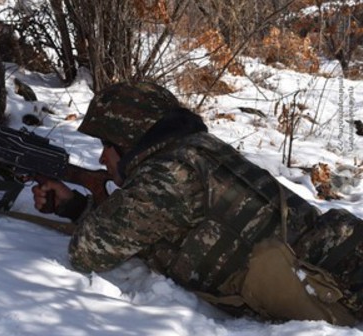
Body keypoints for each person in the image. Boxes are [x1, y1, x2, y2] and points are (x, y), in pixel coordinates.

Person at [32, 81, 363, 326]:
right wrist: (75, 206)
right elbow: (146, 222)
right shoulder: (199, 148)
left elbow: (88, 251)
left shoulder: (168, 175)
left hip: (339, 278)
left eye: (107, 144)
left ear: (129, 139)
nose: (103, 157)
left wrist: (79, 210)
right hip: (339, 249)